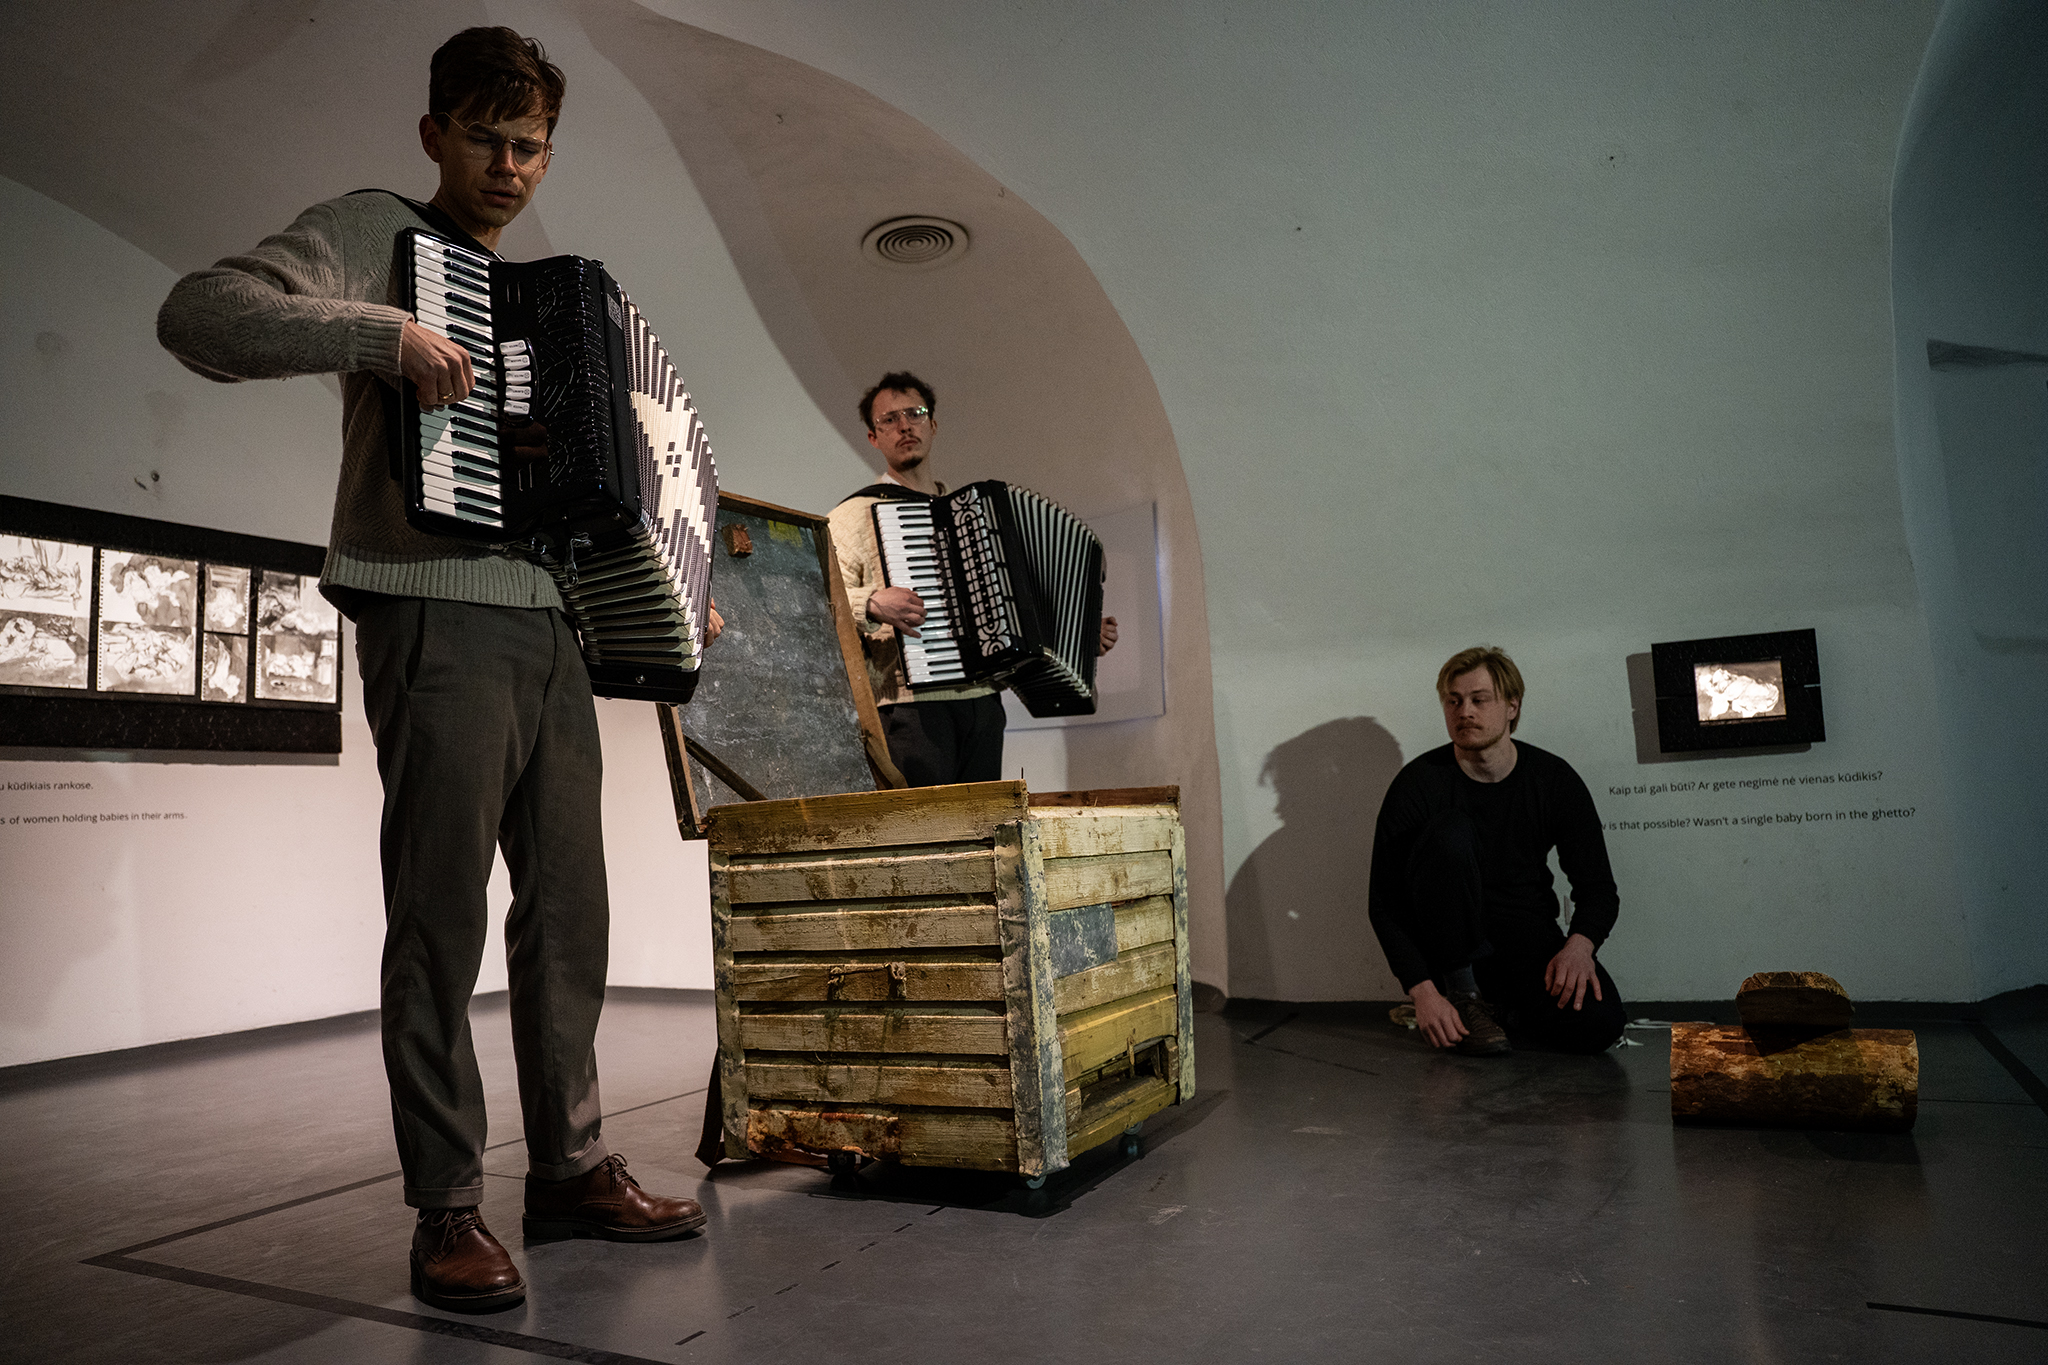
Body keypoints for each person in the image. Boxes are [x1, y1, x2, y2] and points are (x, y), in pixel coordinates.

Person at [157, 27, 709, 1315]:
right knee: (440, 919)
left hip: (553, 628)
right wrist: (380, 336)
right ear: (433, 136)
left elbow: (601, 487)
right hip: (430, 613)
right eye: (485, 139)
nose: (509, 167)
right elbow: (198, 315)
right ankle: (445, 1206)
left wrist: (676, 589)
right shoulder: (379, 232)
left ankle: (568, 1169)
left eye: (531, 147)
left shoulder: (544, 299)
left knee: (570, 917)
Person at [826, 372, 1118, 786]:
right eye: (889, 420)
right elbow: (821, 602)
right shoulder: (852, 515)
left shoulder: (976, 515)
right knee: (923, 825)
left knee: (982, 823)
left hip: (984, 705)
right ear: (874, 438)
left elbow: (1016, 603)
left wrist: (1079, 635)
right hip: (911, 711)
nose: (905, 426)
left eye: (915, 413)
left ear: (933, 424)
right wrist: (872, 604)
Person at [1367, 646, 1627, 1056]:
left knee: (1602, 1023)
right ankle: (1463, 997)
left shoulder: (1553, 780)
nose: (1464, 712)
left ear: (1512, 706)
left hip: (1525, 937)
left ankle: (1503, 1012)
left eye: (1479, 699)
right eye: (1454, 701)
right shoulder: (1419, 784)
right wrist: (1422, 991)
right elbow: (1385, 901)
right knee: (1451, 832)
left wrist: (1579, 947)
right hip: (1451, 953)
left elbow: (1598, 888)